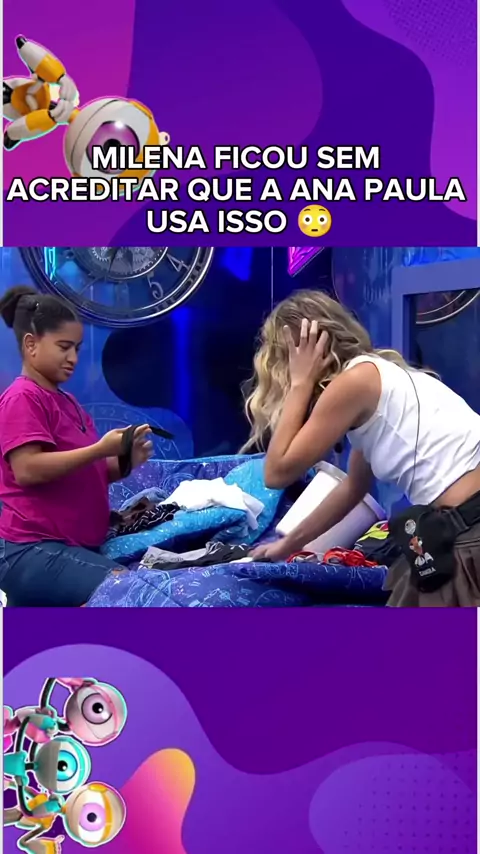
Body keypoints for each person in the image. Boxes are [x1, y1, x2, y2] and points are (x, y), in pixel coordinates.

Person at [247, 289, 480, 607]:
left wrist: (301, 384)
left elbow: (276, 473)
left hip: (469, 528)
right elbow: (353, 488)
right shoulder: (374, 377)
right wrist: (288, 545)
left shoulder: (355, 383)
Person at [0, 286, 153, 607]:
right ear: (31, 344)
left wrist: (126, 460)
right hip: (31, 548)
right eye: (64, 347)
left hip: (69, 547)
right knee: (128, 591)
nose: (73, 358)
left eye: (77, 348)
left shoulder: (68, 402)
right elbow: (27, 470)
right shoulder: (22, 398)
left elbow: (85, 473)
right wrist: (99, 449)